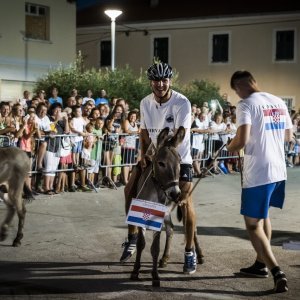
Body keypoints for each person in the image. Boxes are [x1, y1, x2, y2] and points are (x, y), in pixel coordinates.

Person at [120, 62, 197, 274]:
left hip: (178, 157)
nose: (161, 84)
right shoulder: (145, 102)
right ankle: (132, 237)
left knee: (184, 203)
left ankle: (190, 252)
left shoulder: (182, 103)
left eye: (164, 80)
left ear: (170, 81)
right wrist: (144, 154)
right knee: (130, 190)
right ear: (151, 82)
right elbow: (143, 132)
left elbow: (180, 135)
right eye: (156, 81)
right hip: (154, 156)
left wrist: (163, 154)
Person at [226, 70, 293, 293]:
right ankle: (259, 264)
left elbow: (242, 140)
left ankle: (276, 271)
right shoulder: (278, 101)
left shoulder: (245, 105)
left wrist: (229, 147)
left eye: (236, 91)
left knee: (253, 225)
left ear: (238, 87)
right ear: (254, 81)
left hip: (259, 172)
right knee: (263, 216)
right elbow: (288, 137)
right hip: (278, 169)